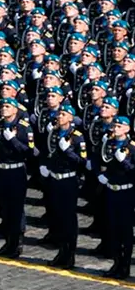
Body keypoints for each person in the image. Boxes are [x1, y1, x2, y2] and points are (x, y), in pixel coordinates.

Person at [0, 98, 34, 258]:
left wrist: (12, 140)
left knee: (16, 208)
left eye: (7, 106)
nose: (3, 109)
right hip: (1, 170)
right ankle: (8, 241)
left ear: (15, 109)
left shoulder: (23, 128)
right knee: (4, 207)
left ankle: (17, 243)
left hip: (16, 171)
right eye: (2, 106)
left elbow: (29, 152)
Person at [40, 105, 86, 269]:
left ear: (71, 118)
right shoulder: (53, 132)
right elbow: (47, 151)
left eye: (63, 114)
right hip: (54, 179)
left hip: (68, 181)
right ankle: (61, 252)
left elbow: (82, 162)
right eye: (59, 113)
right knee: (58, 216)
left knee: (68, 219)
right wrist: (45, 165)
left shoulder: (77, 137)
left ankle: (69, 254)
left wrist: (68, 152)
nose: (59, 116)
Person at [99, 117, 135, 278]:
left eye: (119, 126)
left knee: (125, 231)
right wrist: (101, 175)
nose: (115, 128)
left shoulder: (132, 148)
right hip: (111, 190)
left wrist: (125, 162)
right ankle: (116, 263)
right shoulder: (110, 142)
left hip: (126, 193)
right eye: (115, 125)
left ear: (127, 129)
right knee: (112, 229)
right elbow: (98, 159)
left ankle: (125, 266)